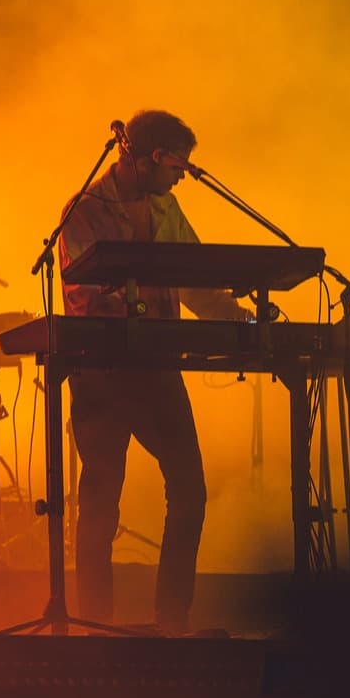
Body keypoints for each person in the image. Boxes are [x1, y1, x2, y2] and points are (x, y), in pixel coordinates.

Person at [57, 108, 246, 633]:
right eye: (175, 165)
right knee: (101, 499)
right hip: (102, 374)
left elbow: (197, 282)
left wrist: (240, 319)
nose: (181, 176)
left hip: (157, 371)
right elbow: (83, 295)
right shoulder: (85, 210)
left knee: (189, 490)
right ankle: (95, 622)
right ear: (145, 159)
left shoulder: (168, 207)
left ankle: (171, 618)